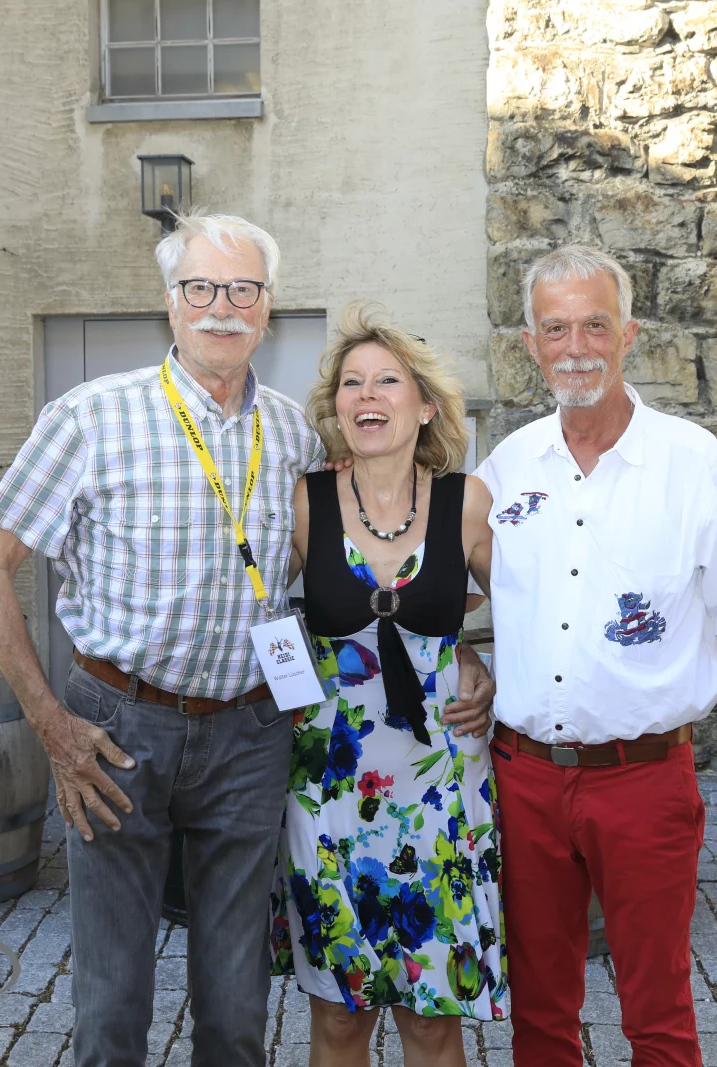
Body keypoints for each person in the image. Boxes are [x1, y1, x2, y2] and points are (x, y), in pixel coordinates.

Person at [0, 216, 492, 1067]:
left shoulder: (295, 439)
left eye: (243, 289)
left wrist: (454, 648)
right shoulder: (91, 416)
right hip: (118, 727)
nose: (222, 306)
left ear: (267, 308)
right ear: (170, 302)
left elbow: (367, 570)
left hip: (252, 731)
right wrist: (51, 724)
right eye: (201, 287)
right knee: (112, 1002)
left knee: (238, 1007)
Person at [477, 244, 717, 1067]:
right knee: (539, 1008)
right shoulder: (506, 467)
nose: (575, 346)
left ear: (628, 334)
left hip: (644, 781)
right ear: (530, 344)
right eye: (555, 329)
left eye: (594, 325)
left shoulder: (689, 459)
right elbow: (455, 588)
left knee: (659, 1010)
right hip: (524, 779)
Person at [270, 305, 503, 1066]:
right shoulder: (303, 502)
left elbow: (538, 614)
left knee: (432, 1020)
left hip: (442, 790)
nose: (367, 395)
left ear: (425, 404)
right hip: (328, 789)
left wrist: (478, 661)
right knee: (340, 1017)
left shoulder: (468, 502)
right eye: (352, 382)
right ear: (338, 406)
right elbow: (250, 607)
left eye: (387, 381)